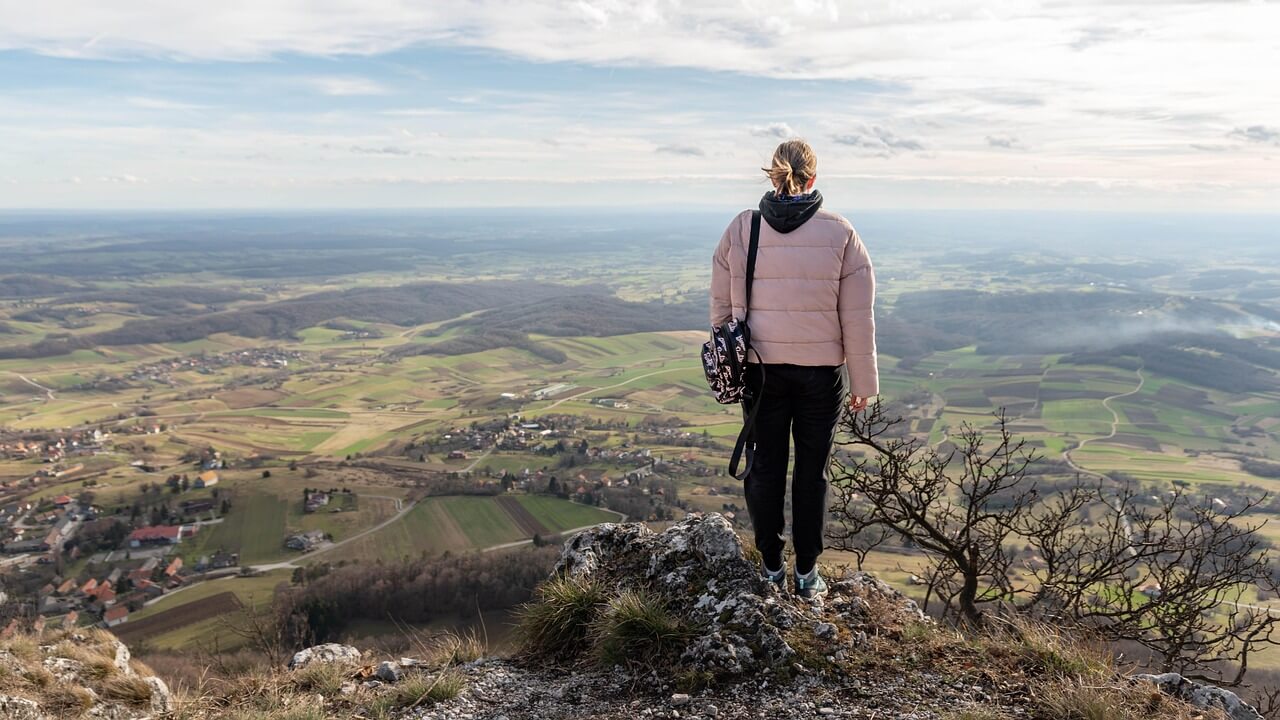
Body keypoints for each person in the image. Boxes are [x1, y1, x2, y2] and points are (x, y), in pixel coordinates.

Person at [709, 138, 878, 599]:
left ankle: (770, 568)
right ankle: (807, 574)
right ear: (814, 178)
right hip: (820, 376)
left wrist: (728, 344)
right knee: (812, 474)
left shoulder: (744, 228)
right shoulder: (841, 233)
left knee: (764, 468)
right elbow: (857, 317)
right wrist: (863, 382)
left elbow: (721, 303)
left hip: (760, 374)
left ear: (773, 175)